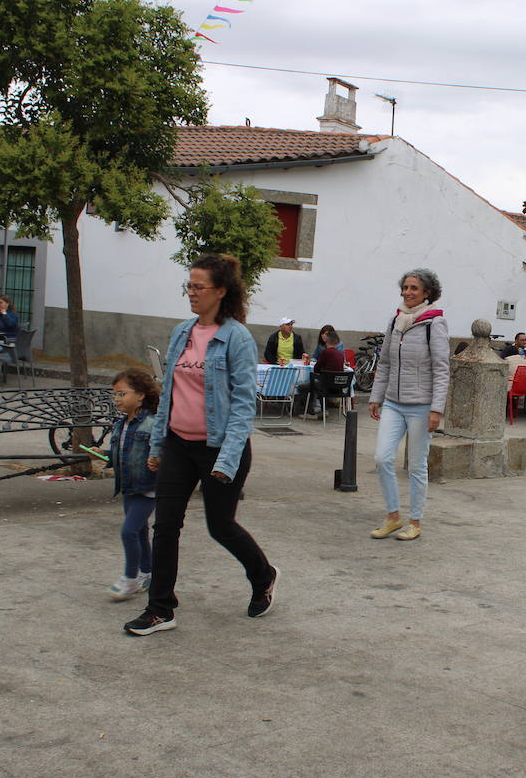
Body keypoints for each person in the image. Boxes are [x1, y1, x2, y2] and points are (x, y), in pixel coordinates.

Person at [125, 253, 279, 636]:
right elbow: (169, 394)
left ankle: (263, 576)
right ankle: (161, 608)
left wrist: (226, 460)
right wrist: (158, 445)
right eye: (188, 286)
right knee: (165, 527)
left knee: (220, 526)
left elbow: (244, 403)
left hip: (218, 448)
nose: (191, 293)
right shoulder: (182, 332)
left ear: (221, 291)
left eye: (198, 287)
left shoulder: (237, 338)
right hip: (178, 443)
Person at [369, 268, 450, 542]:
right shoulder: (395, 321)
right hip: (393, 402)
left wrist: (436, 409)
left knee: (416, 466)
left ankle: (415, 521)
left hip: (421, 406)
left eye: (414, 288)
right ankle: (393, 516)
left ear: (427, 292)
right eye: (405, 287)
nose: (408, 292)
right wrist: (376, 397)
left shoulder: (434, 323)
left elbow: (441, 369)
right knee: (382, 458)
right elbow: (386, 363)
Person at [106, 368, 159, 602]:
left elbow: (161, 452)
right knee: (139, 532)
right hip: (128, 487)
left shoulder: (152, 424)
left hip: (148, 489)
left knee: (129, 531)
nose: (117, 400)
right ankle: (148, 573)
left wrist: (158, 459)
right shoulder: (120, 425)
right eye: (115, 395)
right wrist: (105, 455)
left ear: (140, 395)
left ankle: (130, 579)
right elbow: (122, 453)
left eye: (122, 394)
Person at [297, 330, 349, 418]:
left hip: (326, 387)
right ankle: (323, 410)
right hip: (338, 388)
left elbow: (316, 369)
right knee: (317, 384)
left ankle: (312, 412)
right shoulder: (340, 354)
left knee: (303, 387)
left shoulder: (326, 352)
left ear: (326, 341)